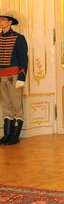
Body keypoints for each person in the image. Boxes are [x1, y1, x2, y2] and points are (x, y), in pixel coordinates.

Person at [0, 11, 28, 146]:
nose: (1, 21)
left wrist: (22, 77)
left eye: (3, 19)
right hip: (1, 77)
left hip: (13, 76)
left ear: (10, 22)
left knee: (16, 104)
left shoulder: (18, 38)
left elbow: (24, 59)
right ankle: (7, 135)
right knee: (5, 105)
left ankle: (15, 136)